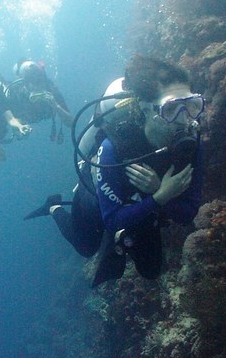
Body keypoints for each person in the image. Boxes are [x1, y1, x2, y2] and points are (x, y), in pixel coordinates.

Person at [25, 55, 204, 284]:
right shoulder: (115, 147)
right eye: (171, 109)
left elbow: (188, 214)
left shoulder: (191, 143)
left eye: (192, 105)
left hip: (144, 199)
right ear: (145, 109)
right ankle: (54, 207)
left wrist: (158, 192)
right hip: (96, 198)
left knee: (151, 270)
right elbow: (112, 220)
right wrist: (160, 196)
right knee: (86, 247)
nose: (185, 120)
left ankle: (122, 238)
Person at [5, 59, 72, 142]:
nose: (38, 86)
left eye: (39, 81)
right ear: (25, 85)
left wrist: (57, 106)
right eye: (33, 82)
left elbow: (71, 123)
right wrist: (19, 127)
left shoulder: (52, 90)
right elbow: (10, 117)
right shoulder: (16, 94)